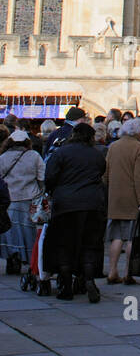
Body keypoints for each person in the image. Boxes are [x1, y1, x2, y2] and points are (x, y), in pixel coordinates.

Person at [44, 122, 107, 302]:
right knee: (90, 243)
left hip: (66, 204)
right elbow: (101, 172)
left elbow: (50, 177)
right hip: (93, 203)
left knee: (64, 243)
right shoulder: (97, 155)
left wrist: (54, 191)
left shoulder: (62, 153)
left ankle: (66, 285)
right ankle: (88, 278)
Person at [105, 118, 140, 283]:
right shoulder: (139, 148)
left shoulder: (113, 147)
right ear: (137, 132)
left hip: (115, 197)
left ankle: (111, 271)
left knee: (116, 237)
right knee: (132, 238)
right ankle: (128, 273)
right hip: (132, 198)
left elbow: (106, 173)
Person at [0, 129, 45, 275]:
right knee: (28, 230)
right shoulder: (34, 156)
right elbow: (42, 177)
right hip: (29, 198)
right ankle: (30, 258)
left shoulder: (3, 157)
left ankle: (13, 258)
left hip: (10, 198)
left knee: (11, 231)